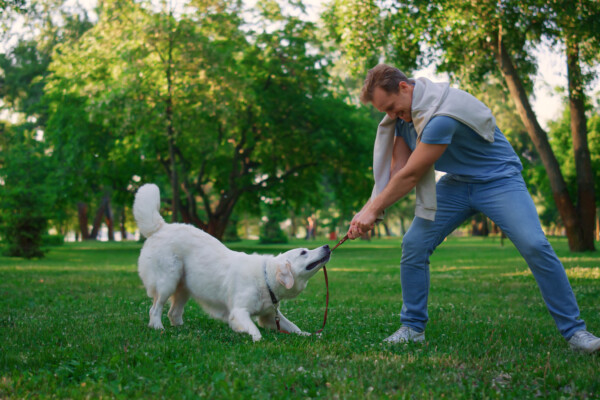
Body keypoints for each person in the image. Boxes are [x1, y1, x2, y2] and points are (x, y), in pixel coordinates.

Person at [347, 64, 600, 353]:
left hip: (498, 179)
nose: (391, 117)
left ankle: (576, 333)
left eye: (392, 107)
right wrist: (368, 210)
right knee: (414, 244)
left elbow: (412, 175)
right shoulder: (403, 119)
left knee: (534, 244)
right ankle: (412, 328)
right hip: (456, 183)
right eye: (386, 112)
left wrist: (372, 209)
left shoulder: (443, 114)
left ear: (405, 87)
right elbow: (399, 167)